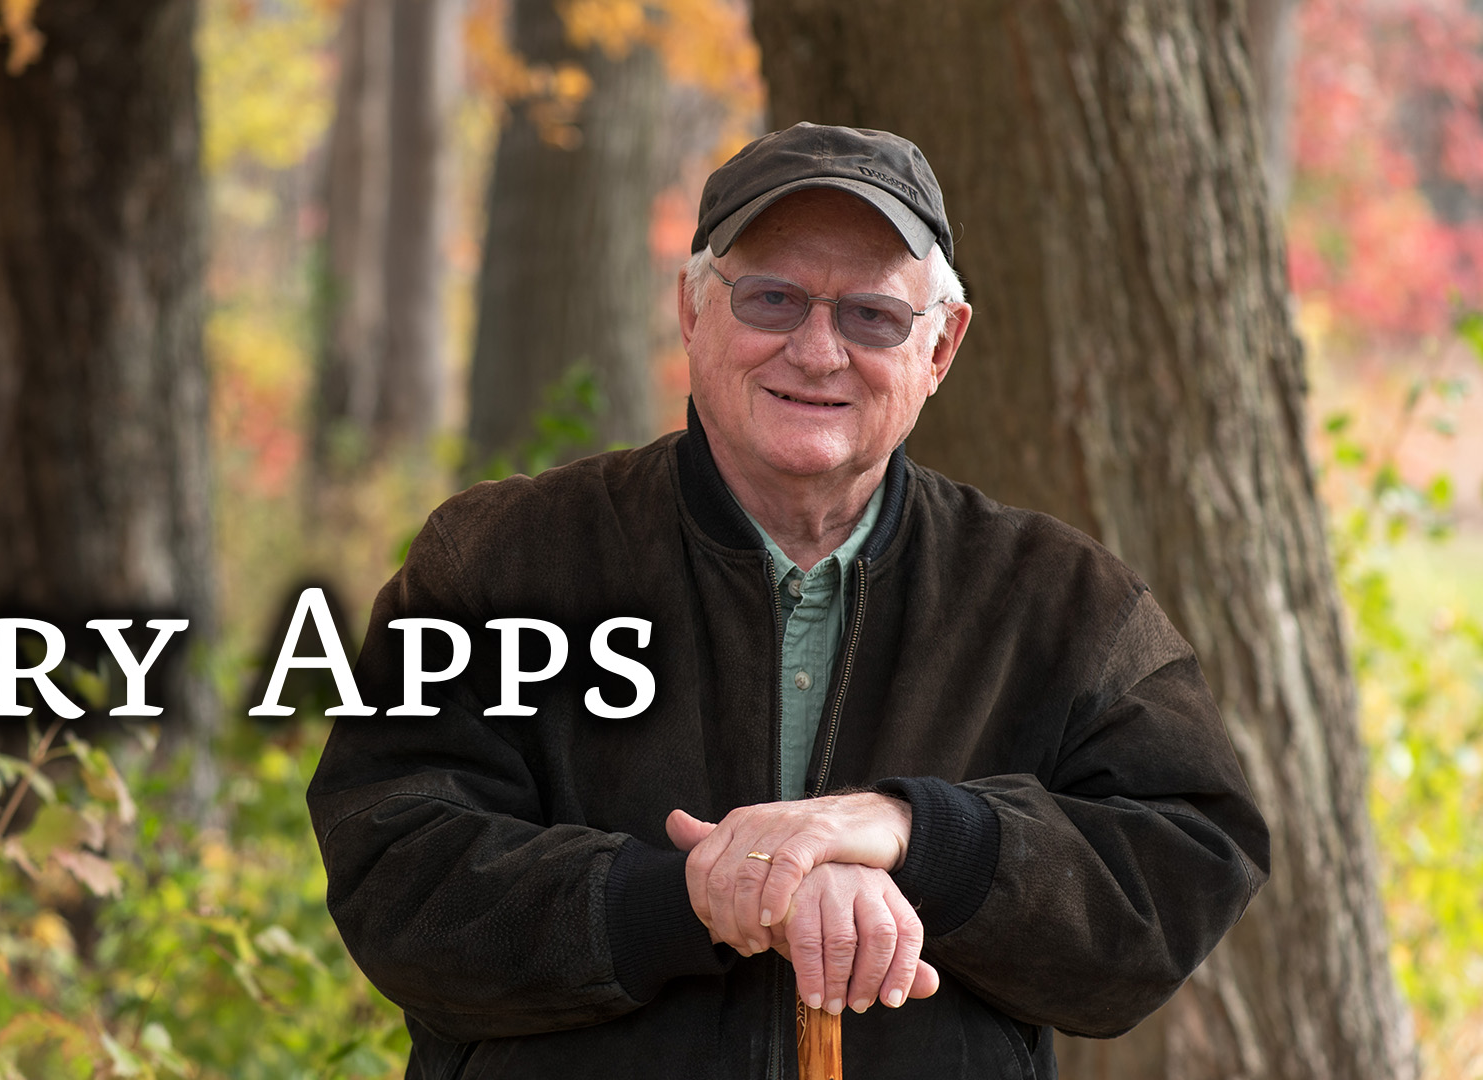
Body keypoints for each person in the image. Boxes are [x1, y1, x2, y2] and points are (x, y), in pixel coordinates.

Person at [305, 123, 1269, 1079]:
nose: (817, 351)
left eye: (872, 317)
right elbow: (396, 869)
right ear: (692, 313)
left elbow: (1188, 857)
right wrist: (689, 896)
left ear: (940, 349)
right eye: (771, 299)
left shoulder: (1061, 601)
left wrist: (921, 838)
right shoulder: (499, 562)